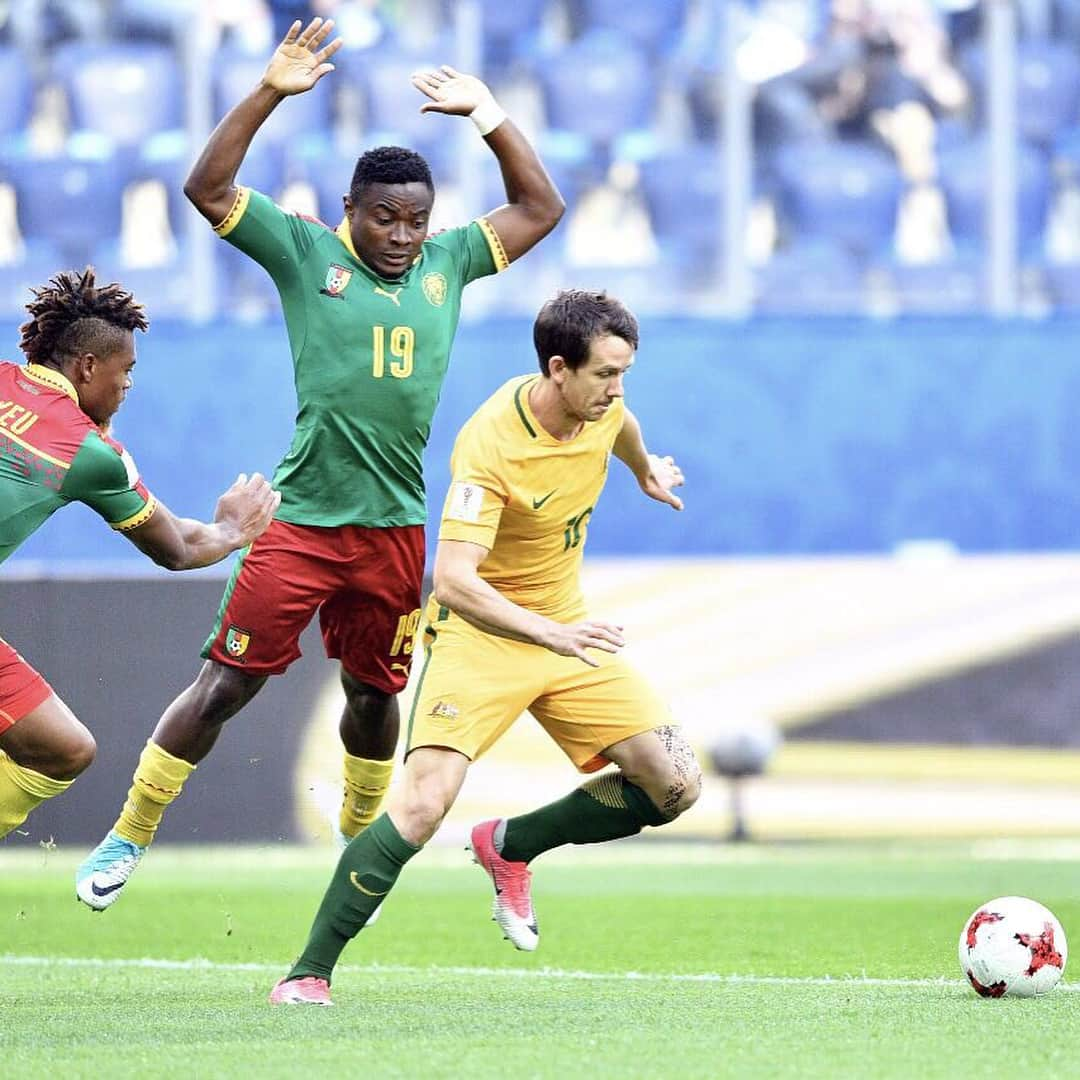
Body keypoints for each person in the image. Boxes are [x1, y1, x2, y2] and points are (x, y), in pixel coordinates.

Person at [76, 16, 564, 908]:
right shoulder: (306, 253)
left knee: (374, 700)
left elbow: (541, 209)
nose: (403, 234)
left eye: (417, 219)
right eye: (385, 216)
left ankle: (355, 831)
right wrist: (269, 90)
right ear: (349, 209)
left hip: (392, 531)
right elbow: (206, 184)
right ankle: (128, 834)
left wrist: (490, 113)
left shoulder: (449, 263)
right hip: (300, 521)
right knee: (223, 686)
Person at [268, 289, 701, 1005]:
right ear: (558, 369)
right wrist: (547, 632)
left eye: (625, 374)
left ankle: (510, 845)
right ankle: (307, 973)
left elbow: (621, 424)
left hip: (564, 630)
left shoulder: (606, 408)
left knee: (674, 786)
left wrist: (644, 467)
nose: (616, 390)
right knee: (425, 803)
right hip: (486, 633)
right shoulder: (491, 445)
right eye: (604, 375)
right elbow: (456, 581)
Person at [0, 267, 279, 843]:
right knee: (64, 750)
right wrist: (232, 529)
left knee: (62, 747)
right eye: (125, 372)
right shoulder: (88, 451)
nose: (127, 387)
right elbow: (178, 549)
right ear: (86, 367)